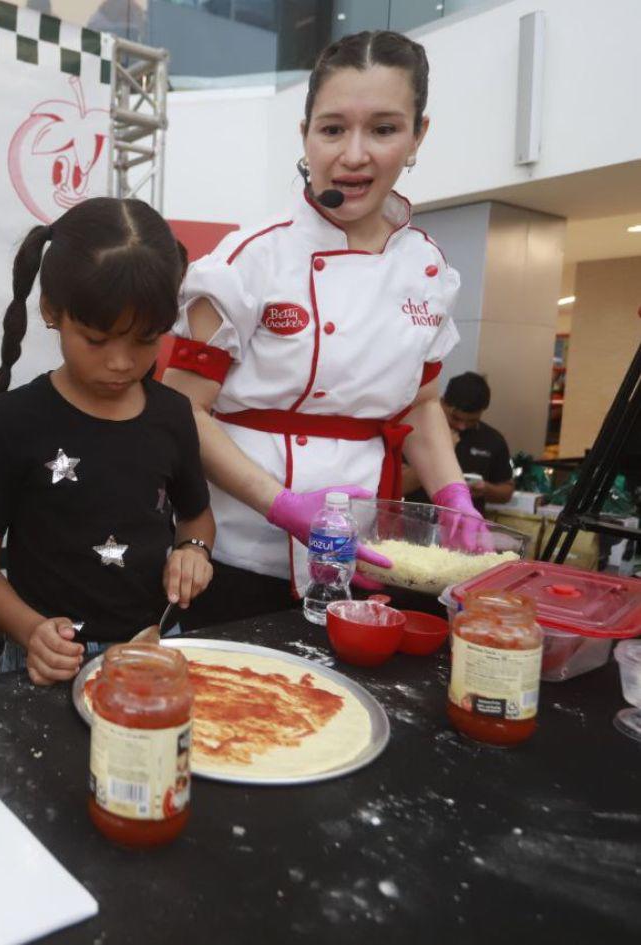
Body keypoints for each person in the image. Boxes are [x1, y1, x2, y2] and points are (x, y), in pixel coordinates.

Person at [162, 30, 484, 625]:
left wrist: (452, 496)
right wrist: (281, 505)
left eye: (384, 129)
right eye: (332, 129)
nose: (354, 155)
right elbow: (180, 410)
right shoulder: (244, 263)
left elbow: (420, 406)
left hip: (370, 554)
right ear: (305, 134)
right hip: (240, 556)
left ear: (418, 135)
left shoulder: (430, 269)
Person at [0, 198, 215, 687]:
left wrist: (195, 551)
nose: (120, 362)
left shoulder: (173, 414)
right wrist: (31, 632)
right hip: (52, 664)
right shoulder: (14, 420)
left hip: (158, 647)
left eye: (144, 340)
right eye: (96, 340)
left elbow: (196, 517)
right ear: (53, 312)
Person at [406, 371, 515, 512]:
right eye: (456, 418)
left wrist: (486, 489)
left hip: (465, 526)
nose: (462, 426)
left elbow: (506, 491)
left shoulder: (493, 440)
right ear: (442, 403)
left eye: (472, 421)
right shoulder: (417, 430)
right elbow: (401, 485)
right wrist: (442, 452)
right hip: (417, 522)